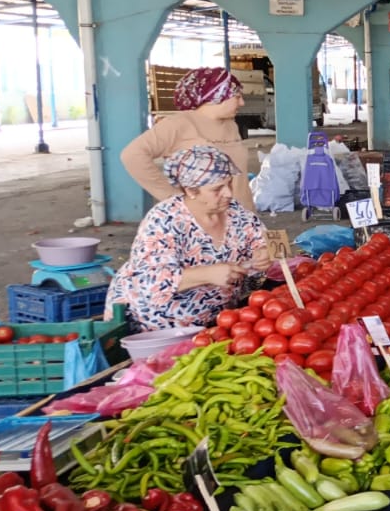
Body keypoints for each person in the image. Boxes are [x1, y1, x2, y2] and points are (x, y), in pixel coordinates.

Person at [107, 146, 270, 331]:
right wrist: (207, 274)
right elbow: (150, 281)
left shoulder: (238, 215)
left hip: (215, 322)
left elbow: (263, 242)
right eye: (217, 189)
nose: (228, 193)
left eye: (229, 183)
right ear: (191, 190)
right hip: (157, 324)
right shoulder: (164, 220)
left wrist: (263, 254)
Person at [121, 68, 256, 213]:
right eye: (236, 96)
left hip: (243, 217)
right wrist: (172, 196)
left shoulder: (230, 125)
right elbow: (132, 155)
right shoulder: (178, 124)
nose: (242, 103)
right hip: (202, 220)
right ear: (216, 96)